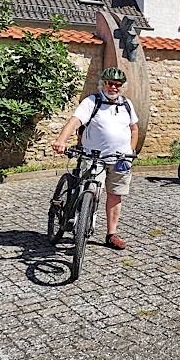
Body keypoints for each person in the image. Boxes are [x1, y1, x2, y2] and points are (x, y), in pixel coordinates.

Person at [52, 67, 139, 250]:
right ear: (103, 84)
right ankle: (80, 220)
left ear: (122, 87)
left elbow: (134, 129)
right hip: (93, 158)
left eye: (118, 85)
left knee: (116, 195)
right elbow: (75, 121)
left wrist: (130, 150)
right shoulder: (92, 101)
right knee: (90, 190)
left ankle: (111, 234)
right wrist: (61, 140)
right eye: (110, 83)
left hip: (121, 159)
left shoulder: (127, 104)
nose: (114, 87)